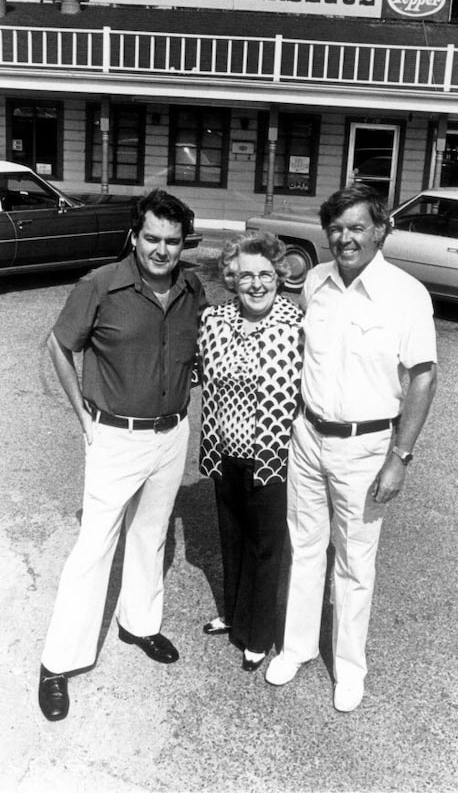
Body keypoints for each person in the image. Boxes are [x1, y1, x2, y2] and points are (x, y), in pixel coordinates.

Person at [265, 183, 437, 712]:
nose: (345, 238)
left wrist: (399, 458)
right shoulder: (314, 281)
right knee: (304, 548)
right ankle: (296, 648)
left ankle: (349, 669)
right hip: (308, 436)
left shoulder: (407, 294)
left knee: (356, 564)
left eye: (357, 227)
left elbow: (424, 378)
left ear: (380, 230)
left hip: (366, 448)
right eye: (336, 228)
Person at [38, 189, 206, 721]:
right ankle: (58, 662)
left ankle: (139, 624)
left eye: (172, 241)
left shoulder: (191, 287)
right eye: (152, 238)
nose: (161, 250)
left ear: (184, 244)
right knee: (95, 547)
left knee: (151, 535)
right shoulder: (100, 286)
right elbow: (59, 345)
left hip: (172, 432)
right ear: (135, 236)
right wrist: (83, 416)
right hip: (114, 435)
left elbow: (196, 349)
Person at [199, 233, 304, 671]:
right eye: (246, 275)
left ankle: (258, 633)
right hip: (224, 449)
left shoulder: (295, 323)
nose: (256, 284)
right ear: (231, 278)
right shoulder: (215, 318)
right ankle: (233, 613)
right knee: (232, 535)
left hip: (271, 454)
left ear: (279, 277)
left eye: (265, 274)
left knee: (265, 545)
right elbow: (201, 374)